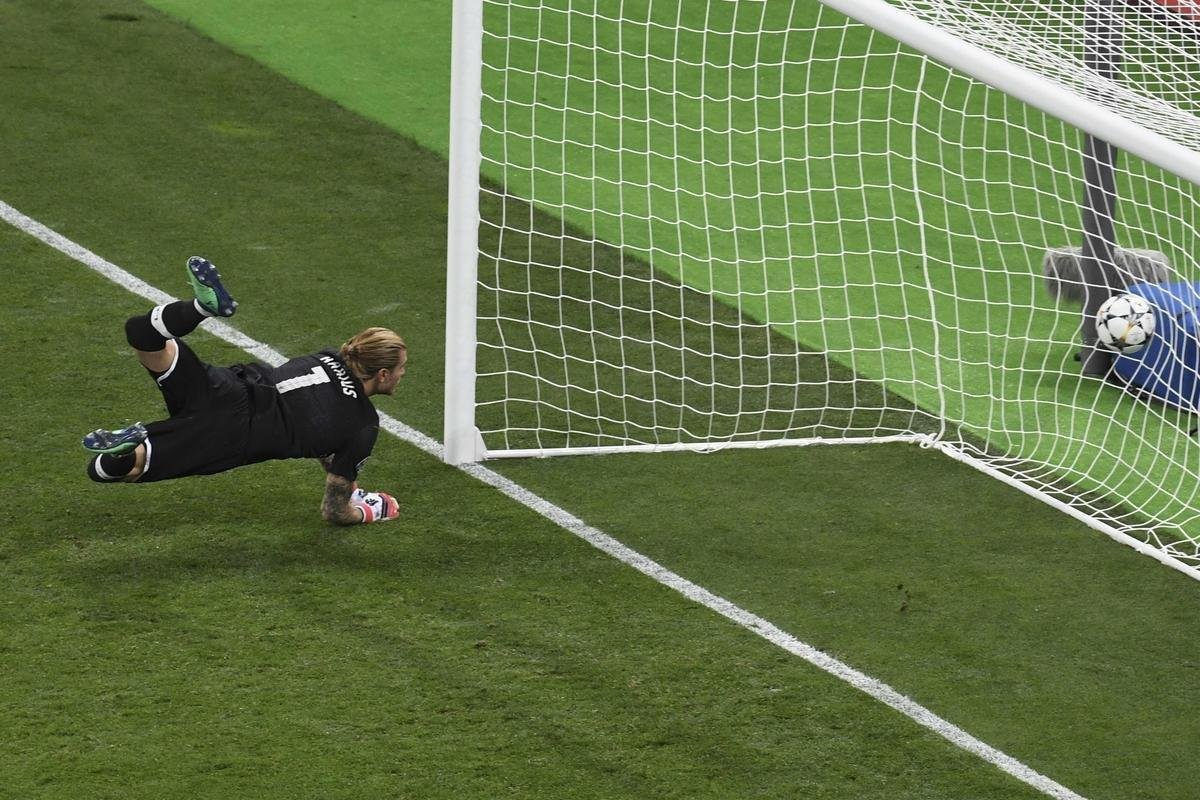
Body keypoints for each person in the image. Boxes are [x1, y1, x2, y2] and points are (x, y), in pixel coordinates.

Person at [82, 256, 406, 525]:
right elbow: (334, 511)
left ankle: (200, 309)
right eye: (401, 368)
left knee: (143, 337)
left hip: (226, 385)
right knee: (108, 471)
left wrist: (350, 481)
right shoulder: (362, 424)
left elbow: (322, 431)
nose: (403, 374)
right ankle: (128, 449)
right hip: (231, 432)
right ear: (381, 374)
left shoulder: (327, 357)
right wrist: (368, 511)